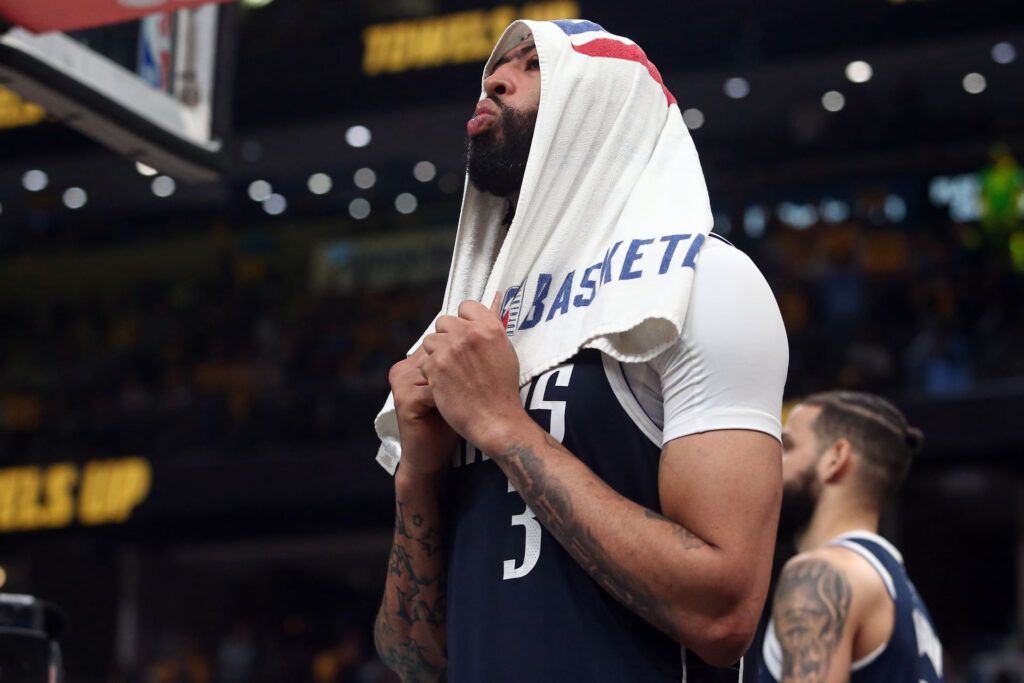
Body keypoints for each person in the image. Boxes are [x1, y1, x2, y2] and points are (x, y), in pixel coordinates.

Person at [372, 18, 788, 682]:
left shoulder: (701, 281)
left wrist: (505, 427)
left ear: (603, 108)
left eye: (533, 64)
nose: (494, 79)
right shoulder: (470, 327)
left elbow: (723, 614)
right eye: (494, 68)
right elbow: (413, 660)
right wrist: (417, 475)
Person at [759, 391, 944, 683]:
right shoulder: (901, 592)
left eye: (788, 446)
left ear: (836, 458)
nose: (771, 464)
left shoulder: (822, 573)